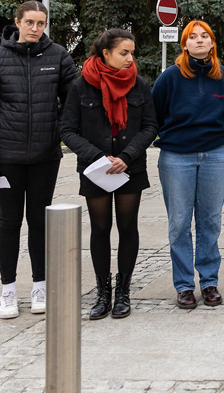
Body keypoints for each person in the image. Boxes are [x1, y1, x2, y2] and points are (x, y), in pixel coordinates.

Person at [0, 1, 77, 319]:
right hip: (7, 158)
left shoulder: (58, 56)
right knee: (9, 222)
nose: (35, 28)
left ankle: (40, 287)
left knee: (40, 222)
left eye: (41, 23)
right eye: (29, 22)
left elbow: (72, 102)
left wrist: (57, 130)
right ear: (17, 22)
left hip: (45, 157)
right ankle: (8, 291)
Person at [61, 29, 157, 320]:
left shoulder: (138, 84)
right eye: (124, 53)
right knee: (100, 229)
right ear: (106, 53)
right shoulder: (81, 85)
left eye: (132, 53)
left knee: (128, 228)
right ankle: (103, 293)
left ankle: (123, 292)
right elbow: (67, 130)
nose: (130, 59)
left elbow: (150, 126)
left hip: (130, 167)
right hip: (96, 169)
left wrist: (127, 156)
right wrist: (97, 157)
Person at [152, 20, 224, 309]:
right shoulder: (170, 77)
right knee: (179, 223)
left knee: (210, 221)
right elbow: (157, 113)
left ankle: (209, 281)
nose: (199, 40)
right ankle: (184, 285)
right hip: (177, 157)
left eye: (205, 36)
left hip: (216, 154)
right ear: (185, 44)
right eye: (193, 37)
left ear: (212, 43)